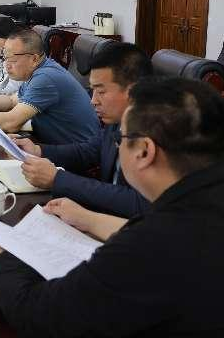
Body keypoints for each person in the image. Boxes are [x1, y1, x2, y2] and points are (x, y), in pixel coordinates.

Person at [0, 77, 224, 338]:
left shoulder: (152, 245)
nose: (117, 147)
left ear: (145, 151)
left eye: (121, 139)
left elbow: (41, 316)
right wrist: (91, 219)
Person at [12, 43, 152, 217]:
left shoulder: (156, 134)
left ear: (133, 91)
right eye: (93, 91)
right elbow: (90, 150)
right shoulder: (118, 119)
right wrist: (37, 150)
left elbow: (138, 203)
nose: (93, 101)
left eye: (101, 92)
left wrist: (58, 179)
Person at [0, 28, 99, 144]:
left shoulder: (46, 77)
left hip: (77, 153)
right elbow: (10, 101)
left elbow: (12, 122)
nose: (7, 65)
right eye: (5, 58)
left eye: (12, 60)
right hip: (53, 141)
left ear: (34, 59)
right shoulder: (38, 71)